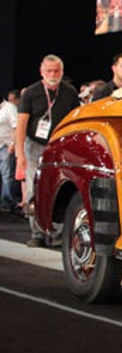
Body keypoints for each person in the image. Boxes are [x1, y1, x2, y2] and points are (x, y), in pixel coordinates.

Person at [16, 55, 81, 247]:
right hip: (34, 145)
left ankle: (58, 233)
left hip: (59, 147)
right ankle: (37, 233)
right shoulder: (31, 93)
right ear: (41, 72)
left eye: (56, 71)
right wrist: (20, 155)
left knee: (59, 188)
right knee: (34, 188)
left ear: (61, 72)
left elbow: (75, 120)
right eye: (49, 71)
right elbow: (21, 126)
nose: (53, 75)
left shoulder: (69, 93)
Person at [1, 90, 21, 214]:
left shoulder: (9, 108)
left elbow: (16, 127)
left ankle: (7, 202)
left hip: (6, 145)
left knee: (7, 174)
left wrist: (13, 144)